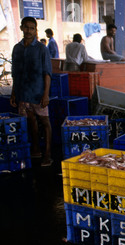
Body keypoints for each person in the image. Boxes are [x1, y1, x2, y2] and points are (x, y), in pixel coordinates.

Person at [11, 17, 53, 167]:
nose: (29, 31)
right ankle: (35, 150)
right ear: (22, 28)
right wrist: (14, 93)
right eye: (26, 27)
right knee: (30, 120)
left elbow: (47, 73)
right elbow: (15, 73)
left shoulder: (42, 48)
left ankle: (47, 154)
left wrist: (46, 94)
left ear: (36, 30)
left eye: (32, 28)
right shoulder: (17, 48)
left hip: (38, 92)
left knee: (45, 122)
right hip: (23, 92)